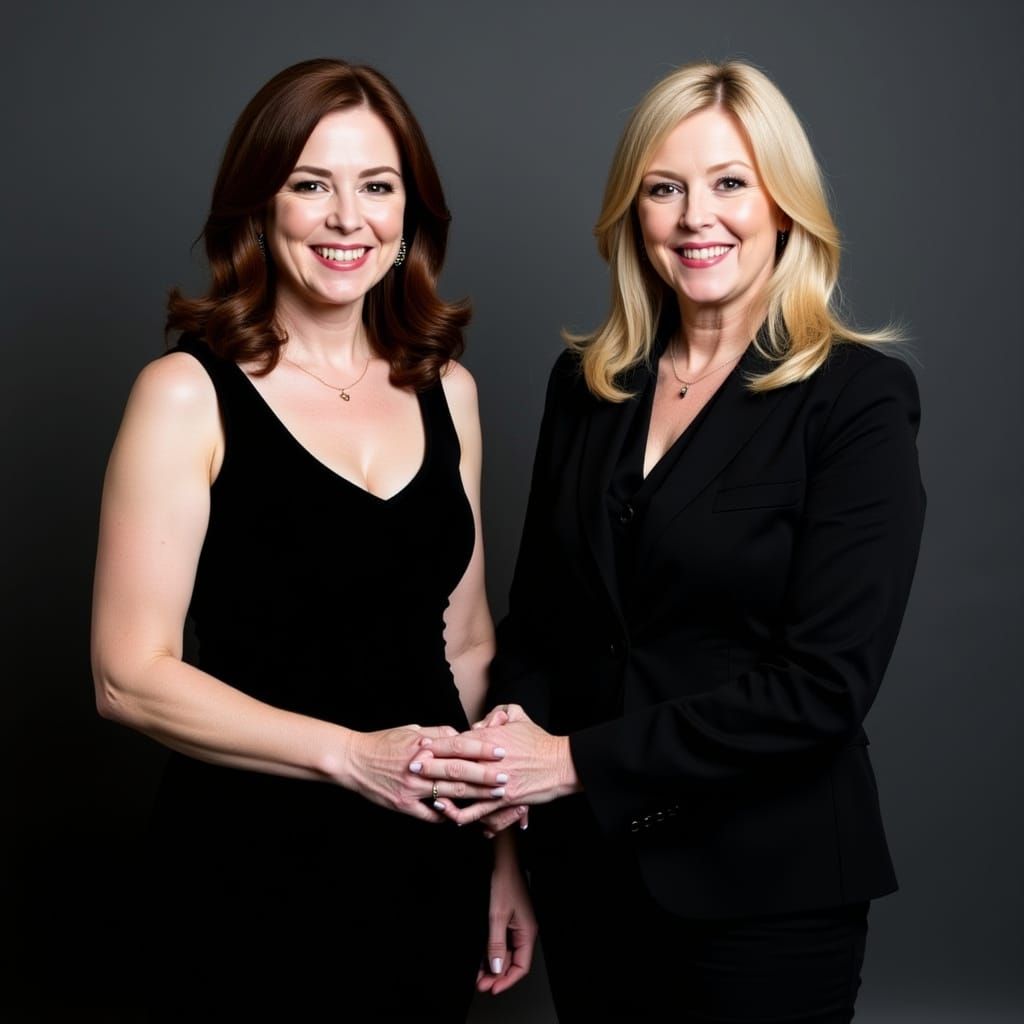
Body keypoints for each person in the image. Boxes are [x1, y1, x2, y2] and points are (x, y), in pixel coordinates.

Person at [409, 60, 926, 1022]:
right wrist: (509, 847)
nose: (698, 217)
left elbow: (823, 686)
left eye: (731, 182)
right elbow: (539, 634)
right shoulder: (590, 385)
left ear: (784, 205)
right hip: (590, 876)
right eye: (665, 188)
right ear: (632, 213)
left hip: (769, 893)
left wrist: (571, 765)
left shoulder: (856, 399)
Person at [90, 58, 533, 1021]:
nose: (348, 219)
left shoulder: (448, 391)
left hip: (427, 864)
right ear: (259, 206)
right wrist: (347, 753)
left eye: (377, 186)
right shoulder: (185, 395)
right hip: (242, 866)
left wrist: (502, 856)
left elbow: (466, 647)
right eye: (310, 185)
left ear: (410, 212)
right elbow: (127, 675)